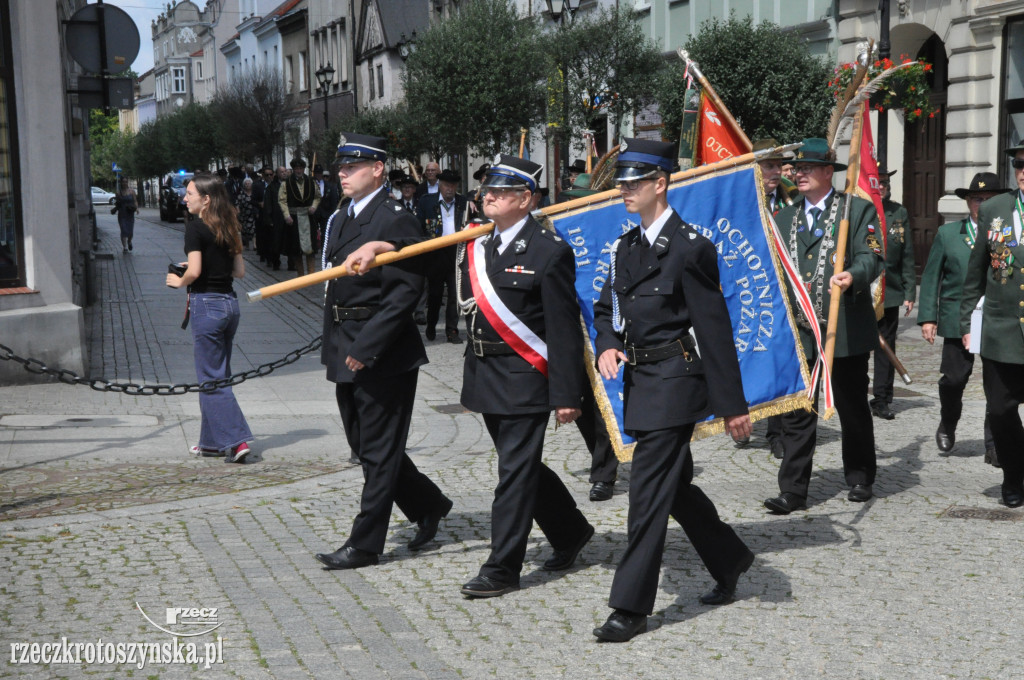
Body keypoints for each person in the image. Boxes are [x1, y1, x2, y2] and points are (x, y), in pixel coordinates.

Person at [592, 138, 754, 642]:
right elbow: (605, 310)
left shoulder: (690, 248)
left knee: (645, 494)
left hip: (676, 386)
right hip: (640, 385)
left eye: (635, 181)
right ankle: (730, 559)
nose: (625, 189)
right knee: (674, 488)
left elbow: (714, 330)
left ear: (661, 184)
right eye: (621, 182)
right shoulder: (625, 247)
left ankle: (630, 608)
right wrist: (606, 344)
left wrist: (732, 407)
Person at [313, 133, 453, 570]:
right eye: (340, 167)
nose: (342, 173)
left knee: (377, 447)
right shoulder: (340, 217)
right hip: (344, 341)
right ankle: (428, 504)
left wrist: (368, 346)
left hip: (381, 350)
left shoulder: (394, 218)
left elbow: (405, 292)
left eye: (351, 166)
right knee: (365, 444)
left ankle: (365, 543)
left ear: (377, 169)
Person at [763, 138, 885, 514]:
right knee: (799, 411)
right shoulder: (783, 218)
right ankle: (793, 491)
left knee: (851, 406)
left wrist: (853, 274)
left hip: (843, 329)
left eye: (806, 168)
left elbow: (874, 256)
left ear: (827, 172)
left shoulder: (856, 211)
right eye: (796, 169)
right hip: (801, 333)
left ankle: (861, 475)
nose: (798, 174)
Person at [164, 173, 253, 464]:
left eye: (189, 193)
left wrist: (178, 281)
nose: (184, 197)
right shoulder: (230, 227)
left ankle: (237, 441)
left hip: (207, 306)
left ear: (206, 199)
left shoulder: (195, 229)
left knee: (212, 378)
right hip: (230, 305)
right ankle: (212, 443)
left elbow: (196, 272)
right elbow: (238, 271)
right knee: (216, 374)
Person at [918, 172, 1000, 464]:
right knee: (953, 379)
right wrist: (928, 317)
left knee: (997, 386)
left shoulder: (1008, 233)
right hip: (956, 318)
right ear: (967, 202)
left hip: (995, 318)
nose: (982, 204)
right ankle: (948, 421)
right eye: (976, 198)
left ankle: (994, 444)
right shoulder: (948, 234)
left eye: (988, 199)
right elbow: (931, 278)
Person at [959, 143, 1024, 508]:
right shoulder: (996, 209)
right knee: (1000, 410)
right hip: (1000, 330)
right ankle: (1013, 475)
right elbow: (976, 270)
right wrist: (969, 320)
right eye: (1019, 163)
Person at [753, 138, 797, 459]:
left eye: (778, 165)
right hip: (750, 293)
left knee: (778, 360)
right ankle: (742, 414)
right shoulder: (743, 202)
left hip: (782, 295)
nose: (776, 172)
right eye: (769, 165)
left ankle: (776, 431)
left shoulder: (789, 203)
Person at [869, 167, 916, 420]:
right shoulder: (858, 208)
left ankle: (882, 399)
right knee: (857, 348)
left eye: (886, 182)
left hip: (890, 290)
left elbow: (907, 254)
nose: (883, 186)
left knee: (886, 347)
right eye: (878, 182)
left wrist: (910, 290)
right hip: (862, 290)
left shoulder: (898, 212)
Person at [417, 168, 468, 343]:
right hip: (435, 254)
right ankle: (431, 325)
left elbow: (473, 223)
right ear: (439, 185)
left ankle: (452, 330)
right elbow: (420, 227)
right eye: (446, 184)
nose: (449, 188)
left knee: (454, 294)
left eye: (453, 185)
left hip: (456, 253)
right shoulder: (426, 202)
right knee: (435, 294)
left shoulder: (464, 202)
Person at [278, 157, 321, 276]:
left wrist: (314, 206)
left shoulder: (311, 181)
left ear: (303, 169)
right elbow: (282, 201)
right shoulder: (286, 183)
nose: (298, 171)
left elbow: (318, 197)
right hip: (294, 218)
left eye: (300, 168)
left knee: (311, 248)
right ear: (293, 169)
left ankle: (311, 274)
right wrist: (286, 215)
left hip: (308, 217)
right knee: (296, 249)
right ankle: (300, 275)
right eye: (296, 168)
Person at [113, 178, 139, 253]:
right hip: (122, 213)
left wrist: (136, 208)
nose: (124, 183)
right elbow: (117, 203)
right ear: (121, 183)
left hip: (130, 213)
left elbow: (135, 201)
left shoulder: (132, 191)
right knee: (123, 230)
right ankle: (125, 247)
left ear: (127, 182)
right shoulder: (118, 193)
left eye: (126, 182)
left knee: (130, 232)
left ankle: (129, 241)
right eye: (123, 182)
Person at [236, 177, 260, 250]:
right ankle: (247, 245)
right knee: (245, 230)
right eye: (246, 184)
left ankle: (255, 245)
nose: (247, 185)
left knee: (254, 229)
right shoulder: (241, 193)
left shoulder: (254, 193)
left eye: (249, 183)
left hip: (253, 213)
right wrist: (238, 211)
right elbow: (237, 203)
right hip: (244, 214)